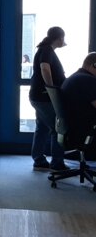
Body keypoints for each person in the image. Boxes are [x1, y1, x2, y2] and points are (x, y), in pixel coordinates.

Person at [29, 26, 68, 171]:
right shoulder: (46, 50)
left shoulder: (45, 49)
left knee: (42, 128)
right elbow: (44, 68)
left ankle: (38, 159)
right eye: (63, 38)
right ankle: (57, 163)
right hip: (44, 97)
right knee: (57, 129)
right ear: (59, 38)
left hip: (39, 96)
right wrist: (51, 89)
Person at [60, 52, 96, 145]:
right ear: (94, 65)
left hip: (72, 127)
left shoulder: (75, 77)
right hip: (84, 128)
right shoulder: (88, 80)